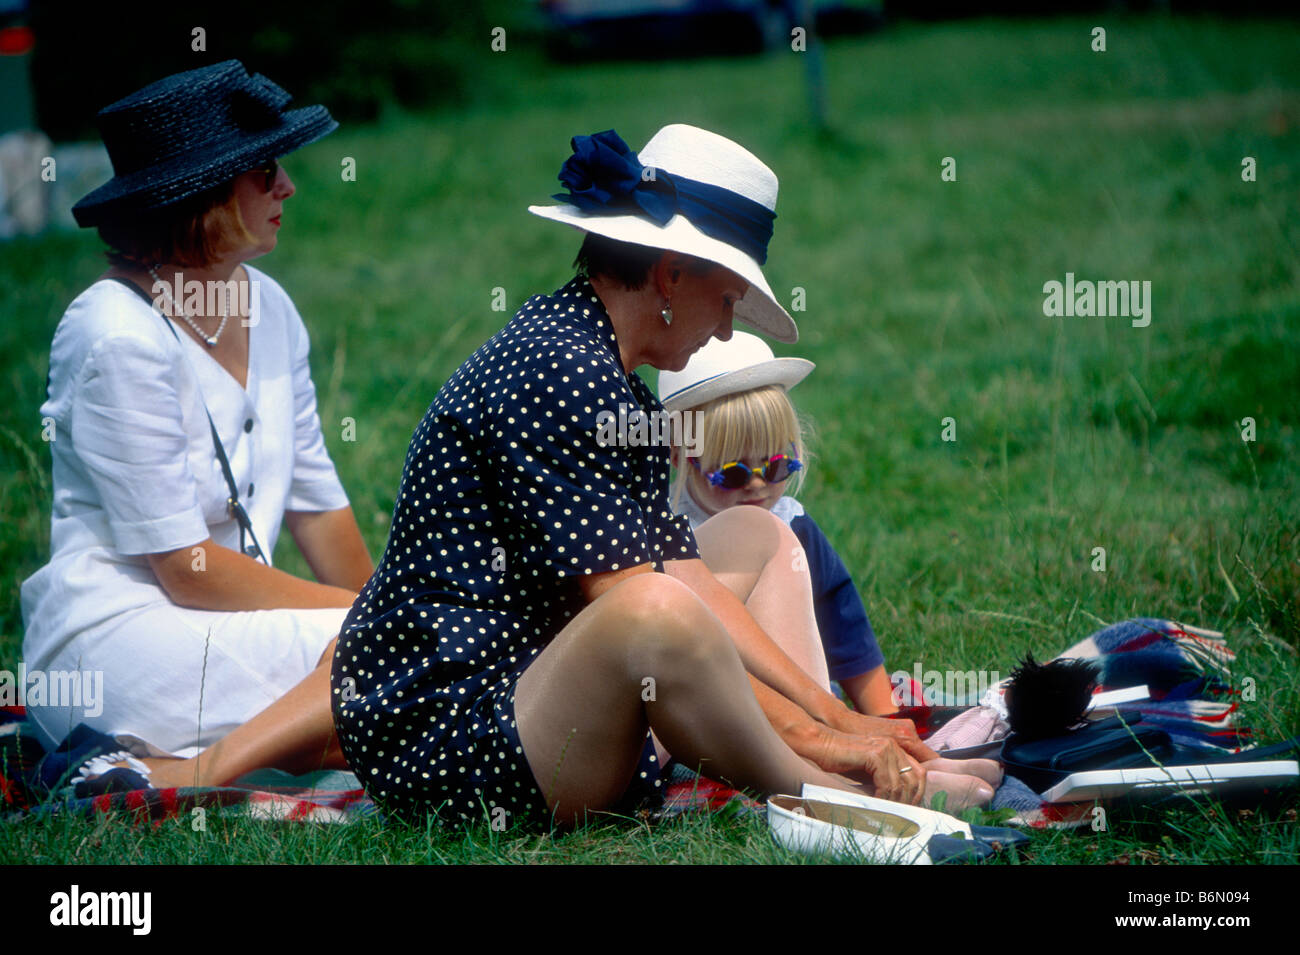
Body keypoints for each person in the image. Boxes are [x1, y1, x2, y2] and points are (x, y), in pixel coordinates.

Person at [332, 125, 944, 829]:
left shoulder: (599, 365)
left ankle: (826, 764)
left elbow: (690, 575)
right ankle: (821, 796)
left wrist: (832, 708)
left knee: (747, 532)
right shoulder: (562, 368)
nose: (723, 331)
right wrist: (821, 736)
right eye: (727, 299)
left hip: (522, 688)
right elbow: (638, 605)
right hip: (452, 739)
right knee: (650, 606)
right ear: (670, 274)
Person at [20, 61, 373, 793]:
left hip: (227, 625)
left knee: (425, 642)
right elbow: (187, 570)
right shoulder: (115, 332)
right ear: (204, 195)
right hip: (118, 641)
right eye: (266, 170)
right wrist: (380, 614)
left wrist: (392, 599)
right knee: (404, 652)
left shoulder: (269, 306)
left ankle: (176, 769)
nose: (288, 187)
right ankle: (189, 764)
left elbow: (316, 500)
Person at [658, 332, 1001, 807]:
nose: (758, 487)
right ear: (679, 457)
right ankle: (851, 781)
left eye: (778, 467)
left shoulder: (790, 521)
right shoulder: (663, 530)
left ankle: (905, 764)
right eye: (733, 473)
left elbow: (845, 628)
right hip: (722, 711)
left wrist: (885, 721)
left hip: (798, 700)